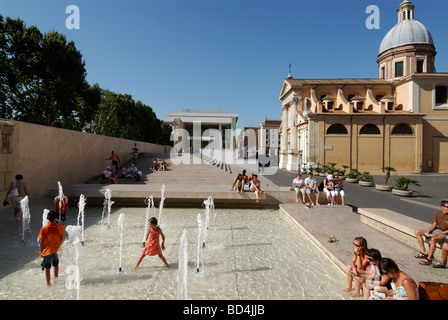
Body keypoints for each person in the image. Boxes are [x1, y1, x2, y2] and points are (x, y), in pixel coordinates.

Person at [414, 200, 448, 265]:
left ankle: (429, 259)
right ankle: (423, 252)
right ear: (442, 207)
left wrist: (437, 234)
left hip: (444, 233)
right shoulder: (438, 213)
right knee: (417, 232)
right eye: (447, 207)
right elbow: (434, 225)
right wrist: (429, 231)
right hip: (436, 230)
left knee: (433, 239)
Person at [37, 210, 66, 286]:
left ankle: (48, 284)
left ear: (47, 218)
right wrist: (58, 244)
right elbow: (61, 237)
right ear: (56, 217)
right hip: (55, 250)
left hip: (47, 251)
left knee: (47, 267)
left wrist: (41, 252)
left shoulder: (44, 229)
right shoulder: (60, 226)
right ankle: (56, 280)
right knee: (56, 265)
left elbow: (41, 242)